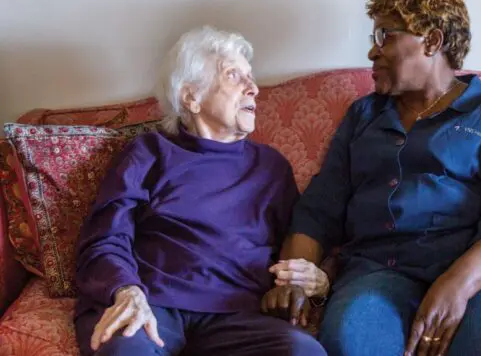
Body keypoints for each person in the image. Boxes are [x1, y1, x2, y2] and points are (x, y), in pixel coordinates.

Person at [262, 0, 481, 356]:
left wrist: (455, 285)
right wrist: (295, 279)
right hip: (380, 272)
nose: (372, 51)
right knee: (350, 342)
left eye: (385, 35)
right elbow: (319, 209)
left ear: (431, 41)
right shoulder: (364, 116)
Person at [74, 26, 326, 356]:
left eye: (251, 78)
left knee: (303, 353)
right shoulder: (149, 152)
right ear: (191, 96)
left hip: (238, 316)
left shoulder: (271, 167)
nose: (253, 89)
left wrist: (316, 280)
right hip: (152, 304)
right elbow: (106, 236)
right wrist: (125, 290)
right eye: (235, 76)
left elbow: (297, 243)